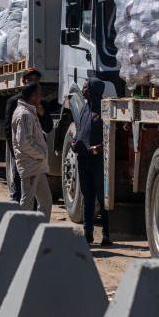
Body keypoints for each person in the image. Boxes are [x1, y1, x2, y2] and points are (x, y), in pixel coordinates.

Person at [4, 68, 53, 202]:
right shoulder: (14, 102)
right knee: (19, 191)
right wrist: (15, 154)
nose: (33, 83)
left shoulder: (42, 103)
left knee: (40, 196)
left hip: (37, 156)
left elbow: (48, 127)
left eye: (36, 80)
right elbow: (8, 131)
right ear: (23, 82)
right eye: (30, 80)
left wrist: (42, 114)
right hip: (22, 154)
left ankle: (34, 220)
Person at [73, 78, 110, 245]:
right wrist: (75, 142)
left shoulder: (104, 111)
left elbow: (110, 138)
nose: (83, 89)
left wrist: (98, 147)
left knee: (102, 199)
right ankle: (88, 233)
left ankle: (107, 235)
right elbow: (80, 131)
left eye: (86, 87)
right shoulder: (84, 109)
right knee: (87, 197)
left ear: (95, 90)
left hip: (98, 161)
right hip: (83, 159)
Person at [12, 82, 52, 221]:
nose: (41, 96)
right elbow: (24, 142)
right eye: (39, 93)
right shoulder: (24, 114)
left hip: (37, 166)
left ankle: (41, 232)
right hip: (30, 166)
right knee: (27, 203)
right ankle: (22, 235)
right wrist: (40, 154)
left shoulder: (29, 111)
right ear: (33, 96)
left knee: (46, 201)